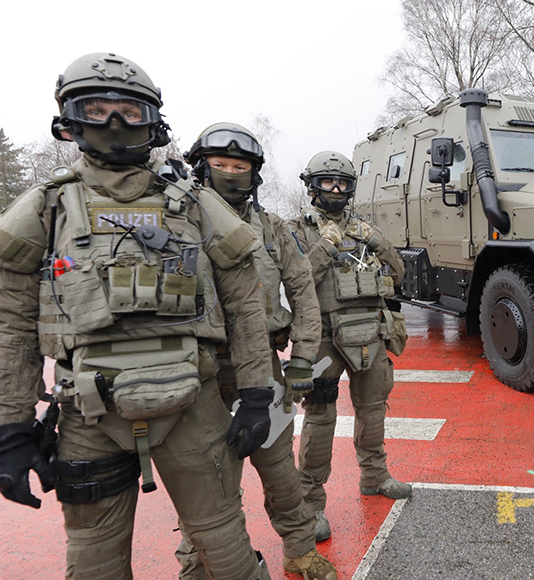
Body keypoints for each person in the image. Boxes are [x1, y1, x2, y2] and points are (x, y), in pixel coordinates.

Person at [0, 53, 274, 579]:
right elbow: (10, 324)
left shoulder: (193, 203)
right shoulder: (47, 206)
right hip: (87, 413)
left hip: (193, 400)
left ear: (152, 120)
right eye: (97, 109)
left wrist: (257, 392)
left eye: (129, 110)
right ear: (70, 118)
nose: (115, 123)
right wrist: (11, 425)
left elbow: (244, 297)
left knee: (225, 549)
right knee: (94, 560)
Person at [175, 123, 336, 580]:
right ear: (201, 168)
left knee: (279, 468)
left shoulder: (273, 229)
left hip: (263, 364)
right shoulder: (178, 223)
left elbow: (303, 293)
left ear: (254, 173)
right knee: (206, 479)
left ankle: (301, 551)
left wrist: (304, 357)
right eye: (219, 165)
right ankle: (201, 563)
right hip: (199, 372)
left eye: (239, 166)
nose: (229, 173)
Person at [288, 151, 410, 543]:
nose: (336, 189)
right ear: (313, 187)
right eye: (328, 182)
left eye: (342, 183)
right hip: (324, 336)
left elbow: (398, 271)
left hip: (369, 332)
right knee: (321, 418)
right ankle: (311, 502)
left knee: (373, 409)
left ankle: (374, 476)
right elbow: (297, 281)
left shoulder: (363, 229)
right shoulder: (297, 230)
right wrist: (325, 244)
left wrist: (377, 240)